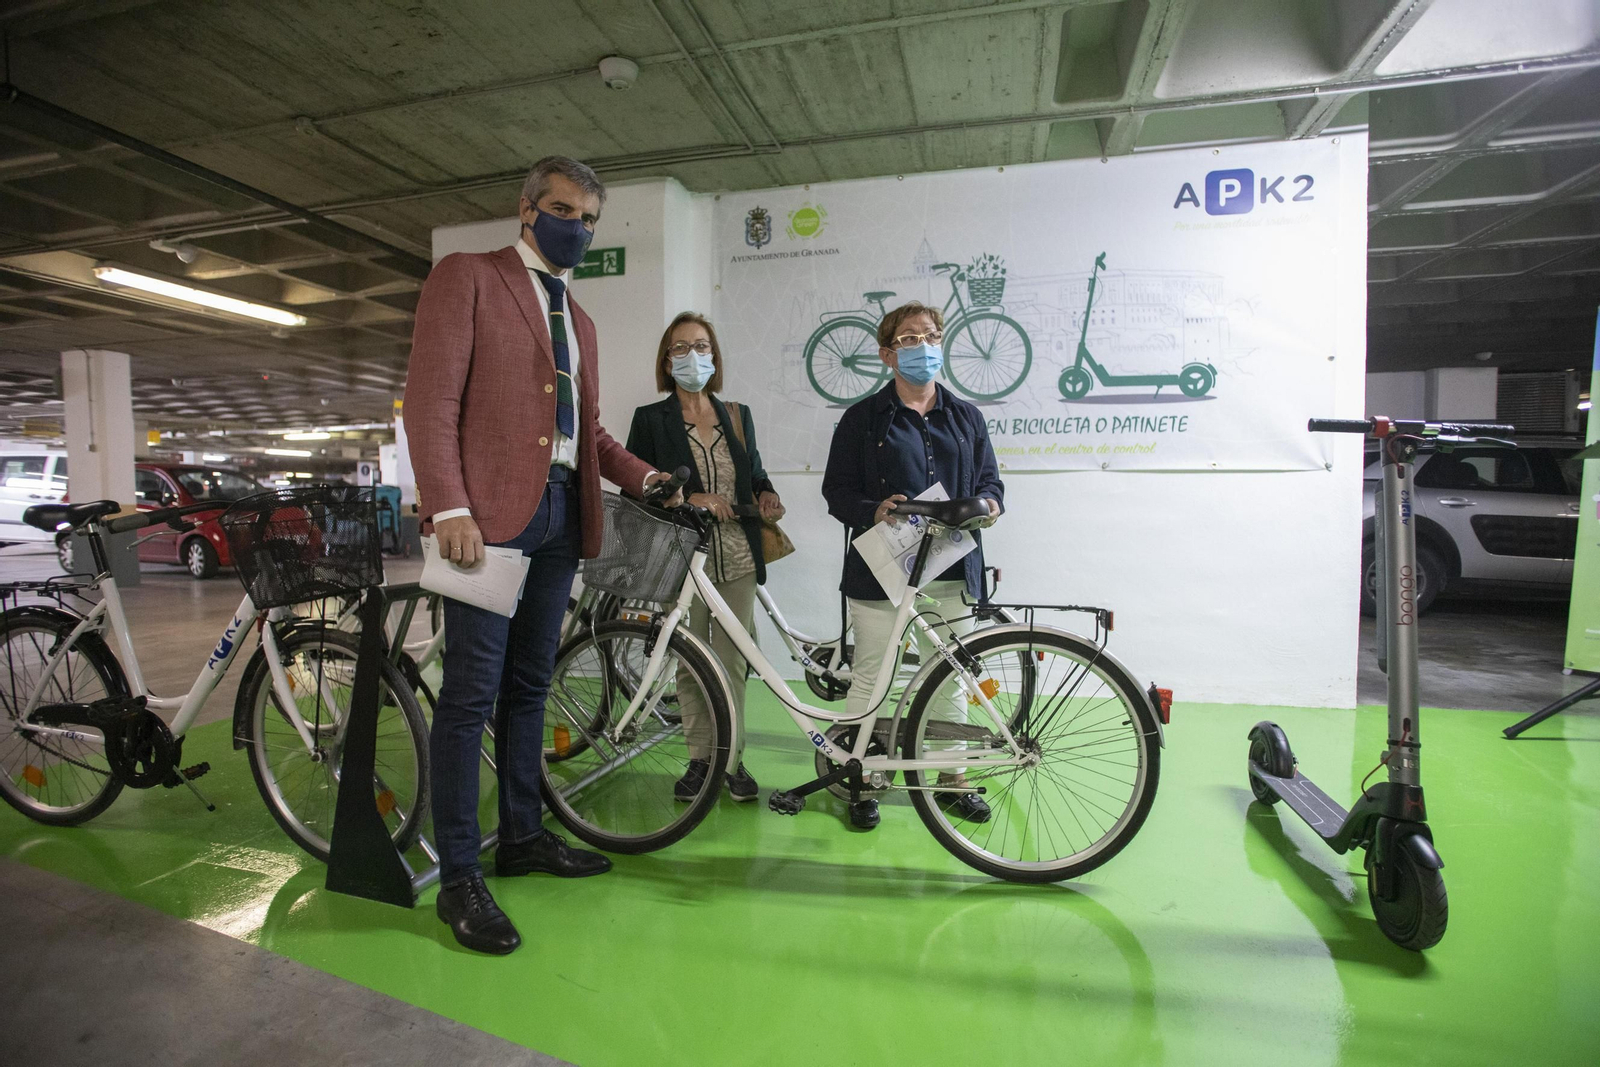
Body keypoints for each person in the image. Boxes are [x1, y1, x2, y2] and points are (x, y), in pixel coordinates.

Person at [404, 155, 679, 955]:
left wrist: (646, 475)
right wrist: (448, 505)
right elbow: (432, 400)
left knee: (529, 687)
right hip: (487, 520)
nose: (578, 228)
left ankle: (522, 835)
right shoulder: (468, 278)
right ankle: (460, 876)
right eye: (564, 210)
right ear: (526, 209)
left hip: (562, 514)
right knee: (468, 696)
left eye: (590, 218)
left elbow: (585, 434)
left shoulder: (579, 319)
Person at [821, 301, 1004, 831]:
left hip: (951, 566)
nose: (922, 345)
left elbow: (992, 484)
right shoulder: (862, 419)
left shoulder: (966, 416)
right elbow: (837, 492)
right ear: (886, 354)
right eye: (908, 338)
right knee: (872, 676)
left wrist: (988, 507)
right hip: (882, 568)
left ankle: (951, 776)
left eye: (930, 334)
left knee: (951, 676)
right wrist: (871, 509)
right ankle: (864, 774)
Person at [626, 312, 784, 803]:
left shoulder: (737, 413)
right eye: (679, 348)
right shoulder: (650, 420)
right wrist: (687, 498)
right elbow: (637, 487)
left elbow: (754, 473)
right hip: (682, 556)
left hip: (736, 553)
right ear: (666, 359)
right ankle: (700, 759)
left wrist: (768, 494)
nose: (691, 355)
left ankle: (731, 758)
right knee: (691, 660)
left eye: (700, 345)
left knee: (734, 661)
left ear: (713, 355)